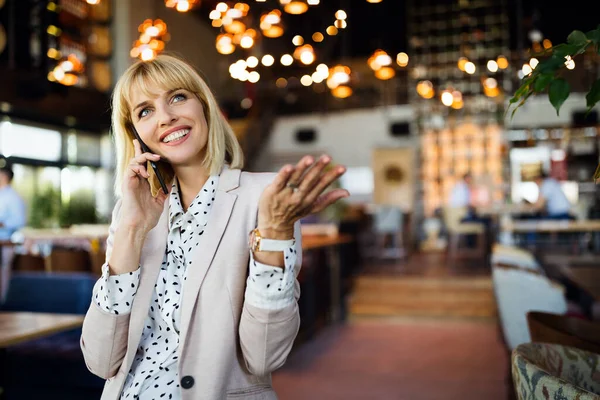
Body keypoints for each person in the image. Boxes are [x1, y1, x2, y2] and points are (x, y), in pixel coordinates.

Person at [80, 54, 349, 400]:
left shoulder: (265, 198)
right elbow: (101, 361)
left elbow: (265, 356)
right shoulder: (130, 211)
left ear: (204, 106)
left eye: (177, 97)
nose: (165, 117)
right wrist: (132, 229)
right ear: (136, 136)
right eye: (145, 111)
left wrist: (275, 234)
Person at [0, 163, 26, 241]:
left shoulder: (13, 197)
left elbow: (20, 220)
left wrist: (2, 224)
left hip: (5, 241)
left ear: (4, 177)